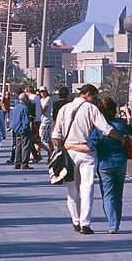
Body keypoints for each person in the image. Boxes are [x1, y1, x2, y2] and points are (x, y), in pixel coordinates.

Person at [50, 83, 119, 234]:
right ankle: (85, 223)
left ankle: (75, 220)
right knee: (87, 187)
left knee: (72, 188)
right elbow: (106, 129)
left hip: (69, 152)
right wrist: (120, 138)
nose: (95, 100)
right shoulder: (91, 109)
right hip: (87, 152)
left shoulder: (65, 109)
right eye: (94, 96)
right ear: (88, 94)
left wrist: (63, 147)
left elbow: (56, 136)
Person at [89, 97, 132, 233]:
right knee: (118, 194)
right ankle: (117, 222)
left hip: (104, 164)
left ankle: (112, 225)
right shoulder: (120, 124)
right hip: (120, 162)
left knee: (108, 195)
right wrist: (129, 117)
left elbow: (92, 144)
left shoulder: (98, 127)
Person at [9, 93, 32, 169]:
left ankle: (17, 162)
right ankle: (24, 163)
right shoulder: (24, 108)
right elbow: (26, 120)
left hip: (16, 129)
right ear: (25, 99)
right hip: (23, 129)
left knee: (18, 146)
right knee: (25, 145)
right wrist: (26, 128)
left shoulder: (16, 107)